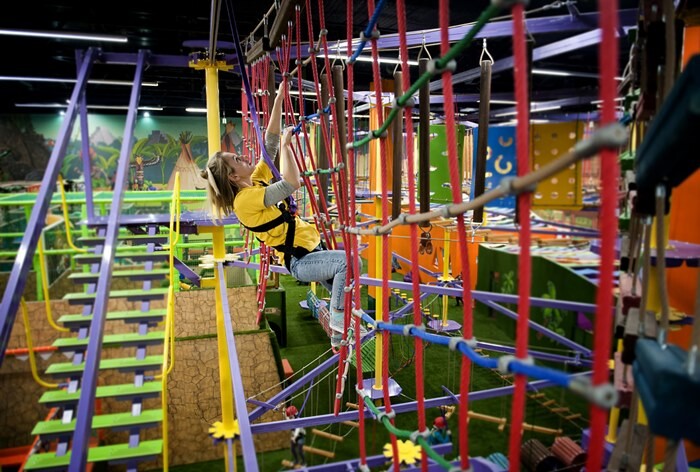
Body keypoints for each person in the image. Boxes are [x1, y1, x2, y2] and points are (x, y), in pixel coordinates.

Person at [202, 80, 356, 347]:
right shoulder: (244, 201)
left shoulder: (255, 181)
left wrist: (278, 100)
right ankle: (338, 322)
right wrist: (287, 147)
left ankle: (339, 331)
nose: (242, 157)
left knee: (345, 284)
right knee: (347, 263)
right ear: (233, 177)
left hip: (312, 247)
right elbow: (291, 182)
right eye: (236, 160)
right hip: (301, 260)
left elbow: (269, 143)